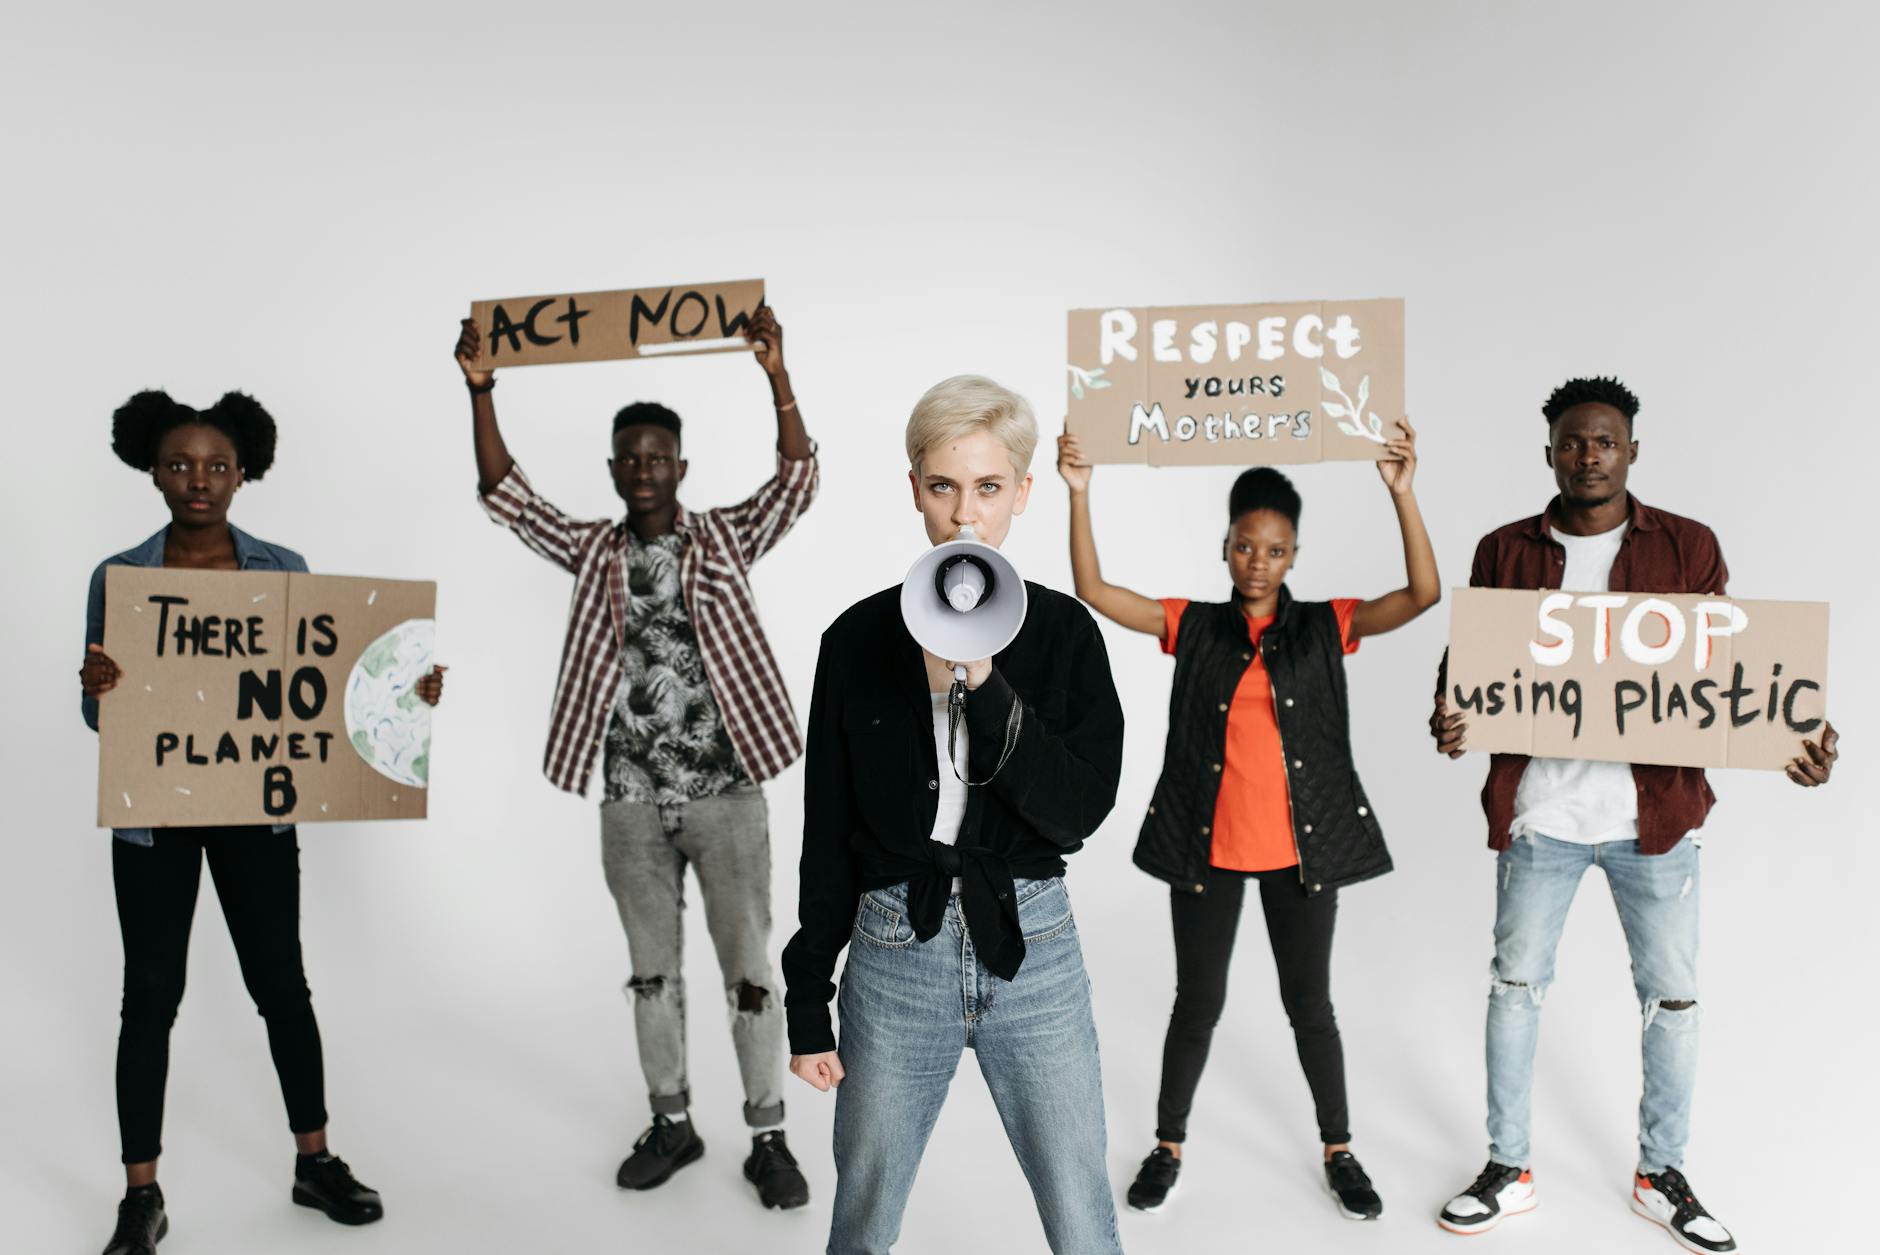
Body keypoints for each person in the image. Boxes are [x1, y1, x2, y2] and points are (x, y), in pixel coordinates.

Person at [1430, 376, 1839, 1252]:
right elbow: (1469, 663)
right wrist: (1450, 712)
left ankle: (1662, 1174)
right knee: (1514, 990)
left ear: (1632, 451)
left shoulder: (1689, 546)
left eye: (1605, 441)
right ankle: (1508, 1167)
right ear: (1549, 452)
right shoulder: (1503, 550)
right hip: (1540, 816)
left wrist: (1795, 729)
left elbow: (1728, 667)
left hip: (1655, 821)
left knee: (1673, 1000)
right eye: (1573, 441)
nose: (1589, 455)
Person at [454, 304, 816, 1209]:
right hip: (628, 797)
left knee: (749, 970)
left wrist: (776, 373)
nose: (644, 468)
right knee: (651, 973)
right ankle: (673, 1123)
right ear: (614, 469)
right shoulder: (592, 551)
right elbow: (507, 496)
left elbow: (797, 479)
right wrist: (482, 389)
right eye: (631, 457)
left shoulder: (723, 537)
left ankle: (768, 1135)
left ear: (680, 467)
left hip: (727, 791)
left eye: (659, 456)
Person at [82, 390, 445, 1255]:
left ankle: (313, 1161)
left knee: (281, 985)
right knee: (150, 997)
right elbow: (105, 720)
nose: (198, 480)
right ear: (152, 471)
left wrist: (405, 690)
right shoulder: (120, 577)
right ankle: (141, 1194)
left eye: (216, 465)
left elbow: (320, 687)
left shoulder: (283, 569)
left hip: (258, 810)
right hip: (154, 819)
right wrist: (99, 691)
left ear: (243, 473)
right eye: (180, 464)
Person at [1057, 420, 1439, 1221]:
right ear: (1224, 546)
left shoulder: (1327, 625)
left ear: (1293, 554)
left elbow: (1421, 595)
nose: (1257, 561)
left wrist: (1402, 494)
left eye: (1274, 549)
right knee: (1197, 1002)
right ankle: (1168, 1145)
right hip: (1207, 852)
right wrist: (1080, 493)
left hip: (1304, 856)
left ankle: (1339, 1148)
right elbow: (1095, 589)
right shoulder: (1192, 625)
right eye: (1244, 545)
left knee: (1311, 1005)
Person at [781, 376, 1126, 1254]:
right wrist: (807, 999)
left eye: (987, 487)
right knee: (865, 1208)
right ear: (914, 490)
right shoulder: (856, 640)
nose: (964, 513)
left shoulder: (1065, 633)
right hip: (895, 948)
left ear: (1022, 492)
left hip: (1033, 945)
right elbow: (827, 831)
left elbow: (1077, 813)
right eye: (942, 485)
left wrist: (986, 680)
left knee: (1080, 1204)